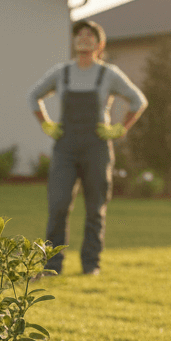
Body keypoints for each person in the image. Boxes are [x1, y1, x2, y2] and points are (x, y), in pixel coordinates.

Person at [28, 20, 146, 275]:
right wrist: (46, 124)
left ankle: (91, 265)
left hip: (96, 148)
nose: (83, 39)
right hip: (65, 148)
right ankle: (52, 265)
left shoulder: (109, 74)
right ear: (74, 42)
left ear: (99, 44)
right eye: (79, 35)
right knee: (58, 205)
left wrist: (120, 128)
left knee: (95, 208)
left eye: (89, 35)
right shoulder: (62, 73)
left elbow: (138, 101)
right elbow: (33, 95)